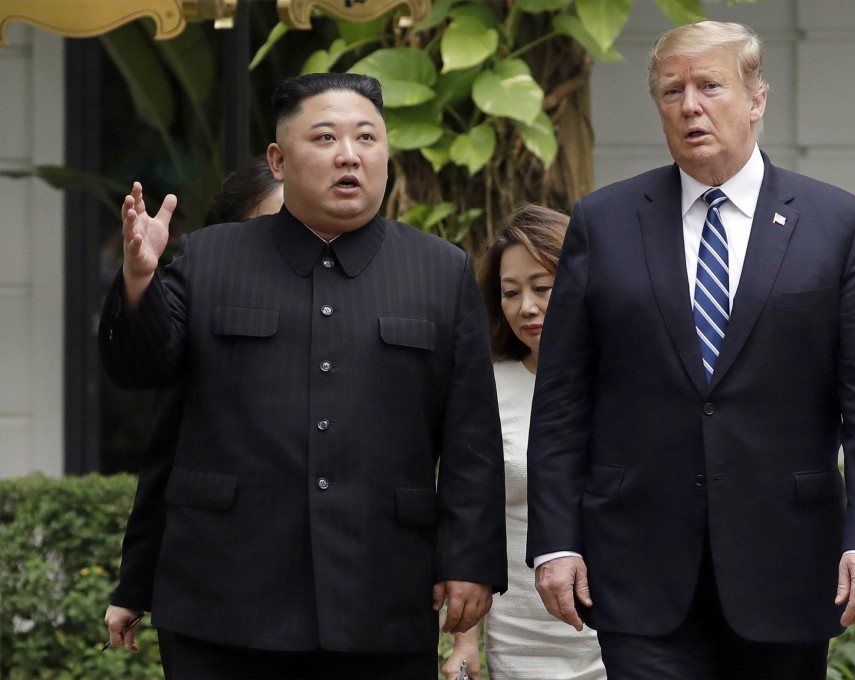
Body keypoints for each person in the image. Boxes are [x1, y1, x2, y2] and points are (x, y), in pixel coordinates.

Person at [525, 20, 855, 680]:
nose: (690, 106)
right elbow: (564, 397)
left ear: (756, 98)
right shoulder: (605, 222)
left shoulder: (840, 225)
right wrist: (555, 542)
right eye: (672, 91)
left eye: (710, 85)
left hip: (787, 562)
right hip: (638, 563)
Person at [98, 72, 507, 679]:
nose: (350, 154)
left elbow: (472, 436)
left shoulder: (440, 272)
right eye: (325, 137)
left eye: (367, 137)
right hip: (225, 594)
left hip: (381, 590)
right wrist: (139, 279)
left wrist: (470, 559)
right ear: (279, 159)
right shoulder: (211, 256)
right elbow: (139, 368)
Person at [103, 156, 284, 670]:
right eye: (272, 228)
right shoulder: (200, 314)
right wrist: (133, 588)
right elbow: (165, 461)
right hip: (220, 592)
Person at [442, 205, 606, 680]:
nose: (526, 307)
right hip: (521, 638)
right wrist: (465, 640)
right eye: (510, 293)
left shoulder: (628, 384)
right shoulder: (486, 387)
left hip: (624, 632)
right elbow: (469, 516)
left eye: (543, 287)